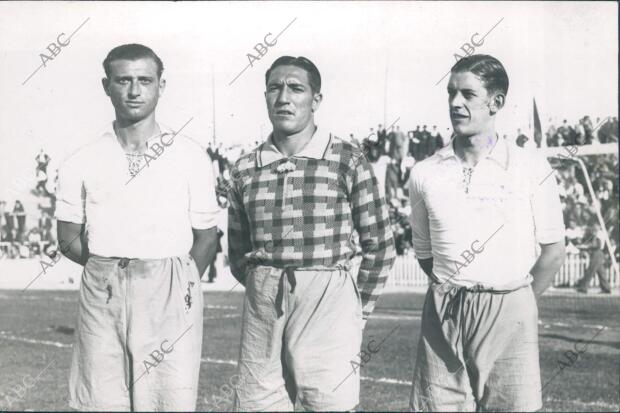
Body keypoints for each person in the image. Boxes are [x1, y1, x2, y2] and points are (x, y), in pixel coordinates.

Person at [55, 43, 219, 411]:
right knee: (99, 399)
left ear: (161, 86)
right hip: (103, 290)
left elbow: (207, 236)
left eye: (144, 80)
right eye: (123, 80)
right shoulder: (81, 159)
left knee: (167, 400)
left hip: (171, 289)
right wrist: (113, 268)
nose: (134, 90)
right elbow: (67, 239)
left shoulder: (190, 155)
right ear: (105, 85)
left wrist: (177, 281)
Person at [228, 55, 395, 411]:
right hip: (263, 306)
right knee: (257, 404)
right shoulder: (245, 168)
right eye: (275, 88)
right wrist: (268, 283)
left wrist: (355, 310)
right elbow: (238, 252)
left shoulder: (346, 158)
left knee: (328, 403)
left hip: (328, 303)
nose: (283, 97)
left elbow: (380, 245)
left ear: (315, 100)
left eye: (296, 88)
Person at [408, 54, 566, 411]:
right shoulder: (425, 173)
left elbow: (554, 252)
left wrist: (515, 300)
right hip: (444, 310)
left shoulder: (530, 166)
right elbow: (425, 254)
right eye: (451, 93)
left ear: (496, 102)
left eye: (467, 94)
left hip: (510, 308)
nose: (455, 103)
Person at [576, 223, 612, 293]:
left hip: (597, 252)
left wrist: (587, 246)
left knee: (590, 270)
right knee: (601, 271)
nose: (593, 228)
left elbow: (597, 245)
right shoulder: (598, 234)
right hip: (598, 253)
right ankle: (606, 288)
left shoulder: (599, 234)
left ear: (599, 227)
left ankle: (583, 287)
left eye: (595, 227)